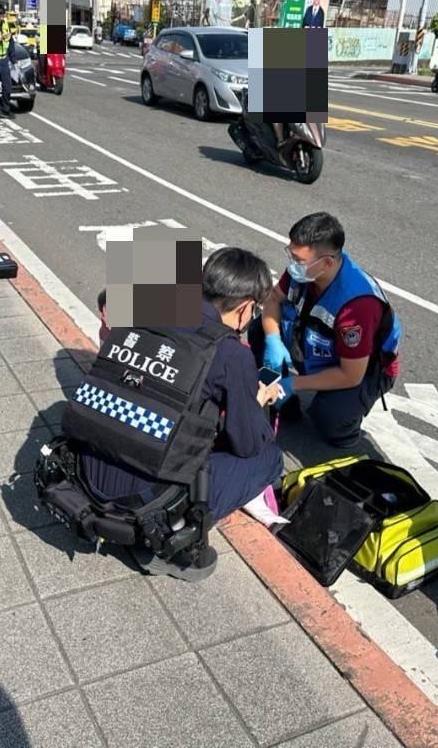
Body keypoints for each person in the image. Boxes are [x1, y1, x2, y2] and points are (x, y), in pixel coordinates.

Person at [76, 248, 284, 581]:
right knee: (269, 457)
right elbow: (247, 444)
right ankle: (171, 534)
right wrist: (256, 401)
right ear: (246, 308)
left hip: (87, 466)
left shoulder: (146, 307)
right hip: (142, 500)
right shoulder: (231, 353)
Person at [254, 213, 401, 453]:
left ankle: (345, 429)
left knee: (331, 418)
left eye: (298, 260)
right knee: (258, 330)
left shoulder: (357, 305)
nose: (292, 264)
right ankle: (284, 401)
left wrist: (294, 382)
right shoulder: (304, 271)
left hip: (361, 368)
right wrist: (273, 339)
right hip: (317, 346)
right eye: (291, 254)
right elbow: (273, 300)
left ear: (327, 263)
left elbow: (351, 375)